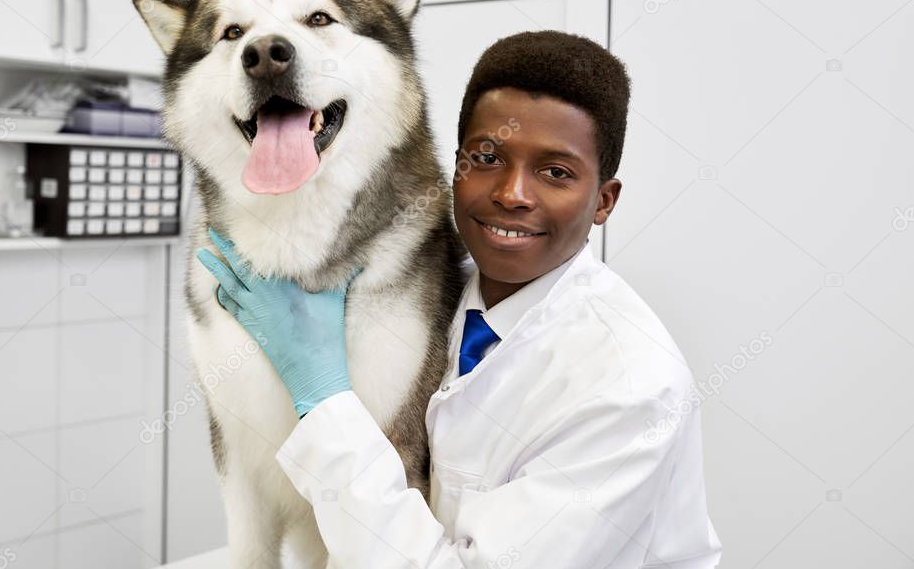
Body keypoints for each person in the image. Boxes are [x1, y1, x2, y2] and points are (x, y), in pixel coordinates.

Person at [197, 31, 722, 568]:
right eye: (487, 157)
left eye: (555, 172)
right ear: (457, 165)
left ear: (604, 201)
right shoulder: (436, 292)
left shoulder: (630, 389)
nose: (511, 194)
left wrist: (323, 397)